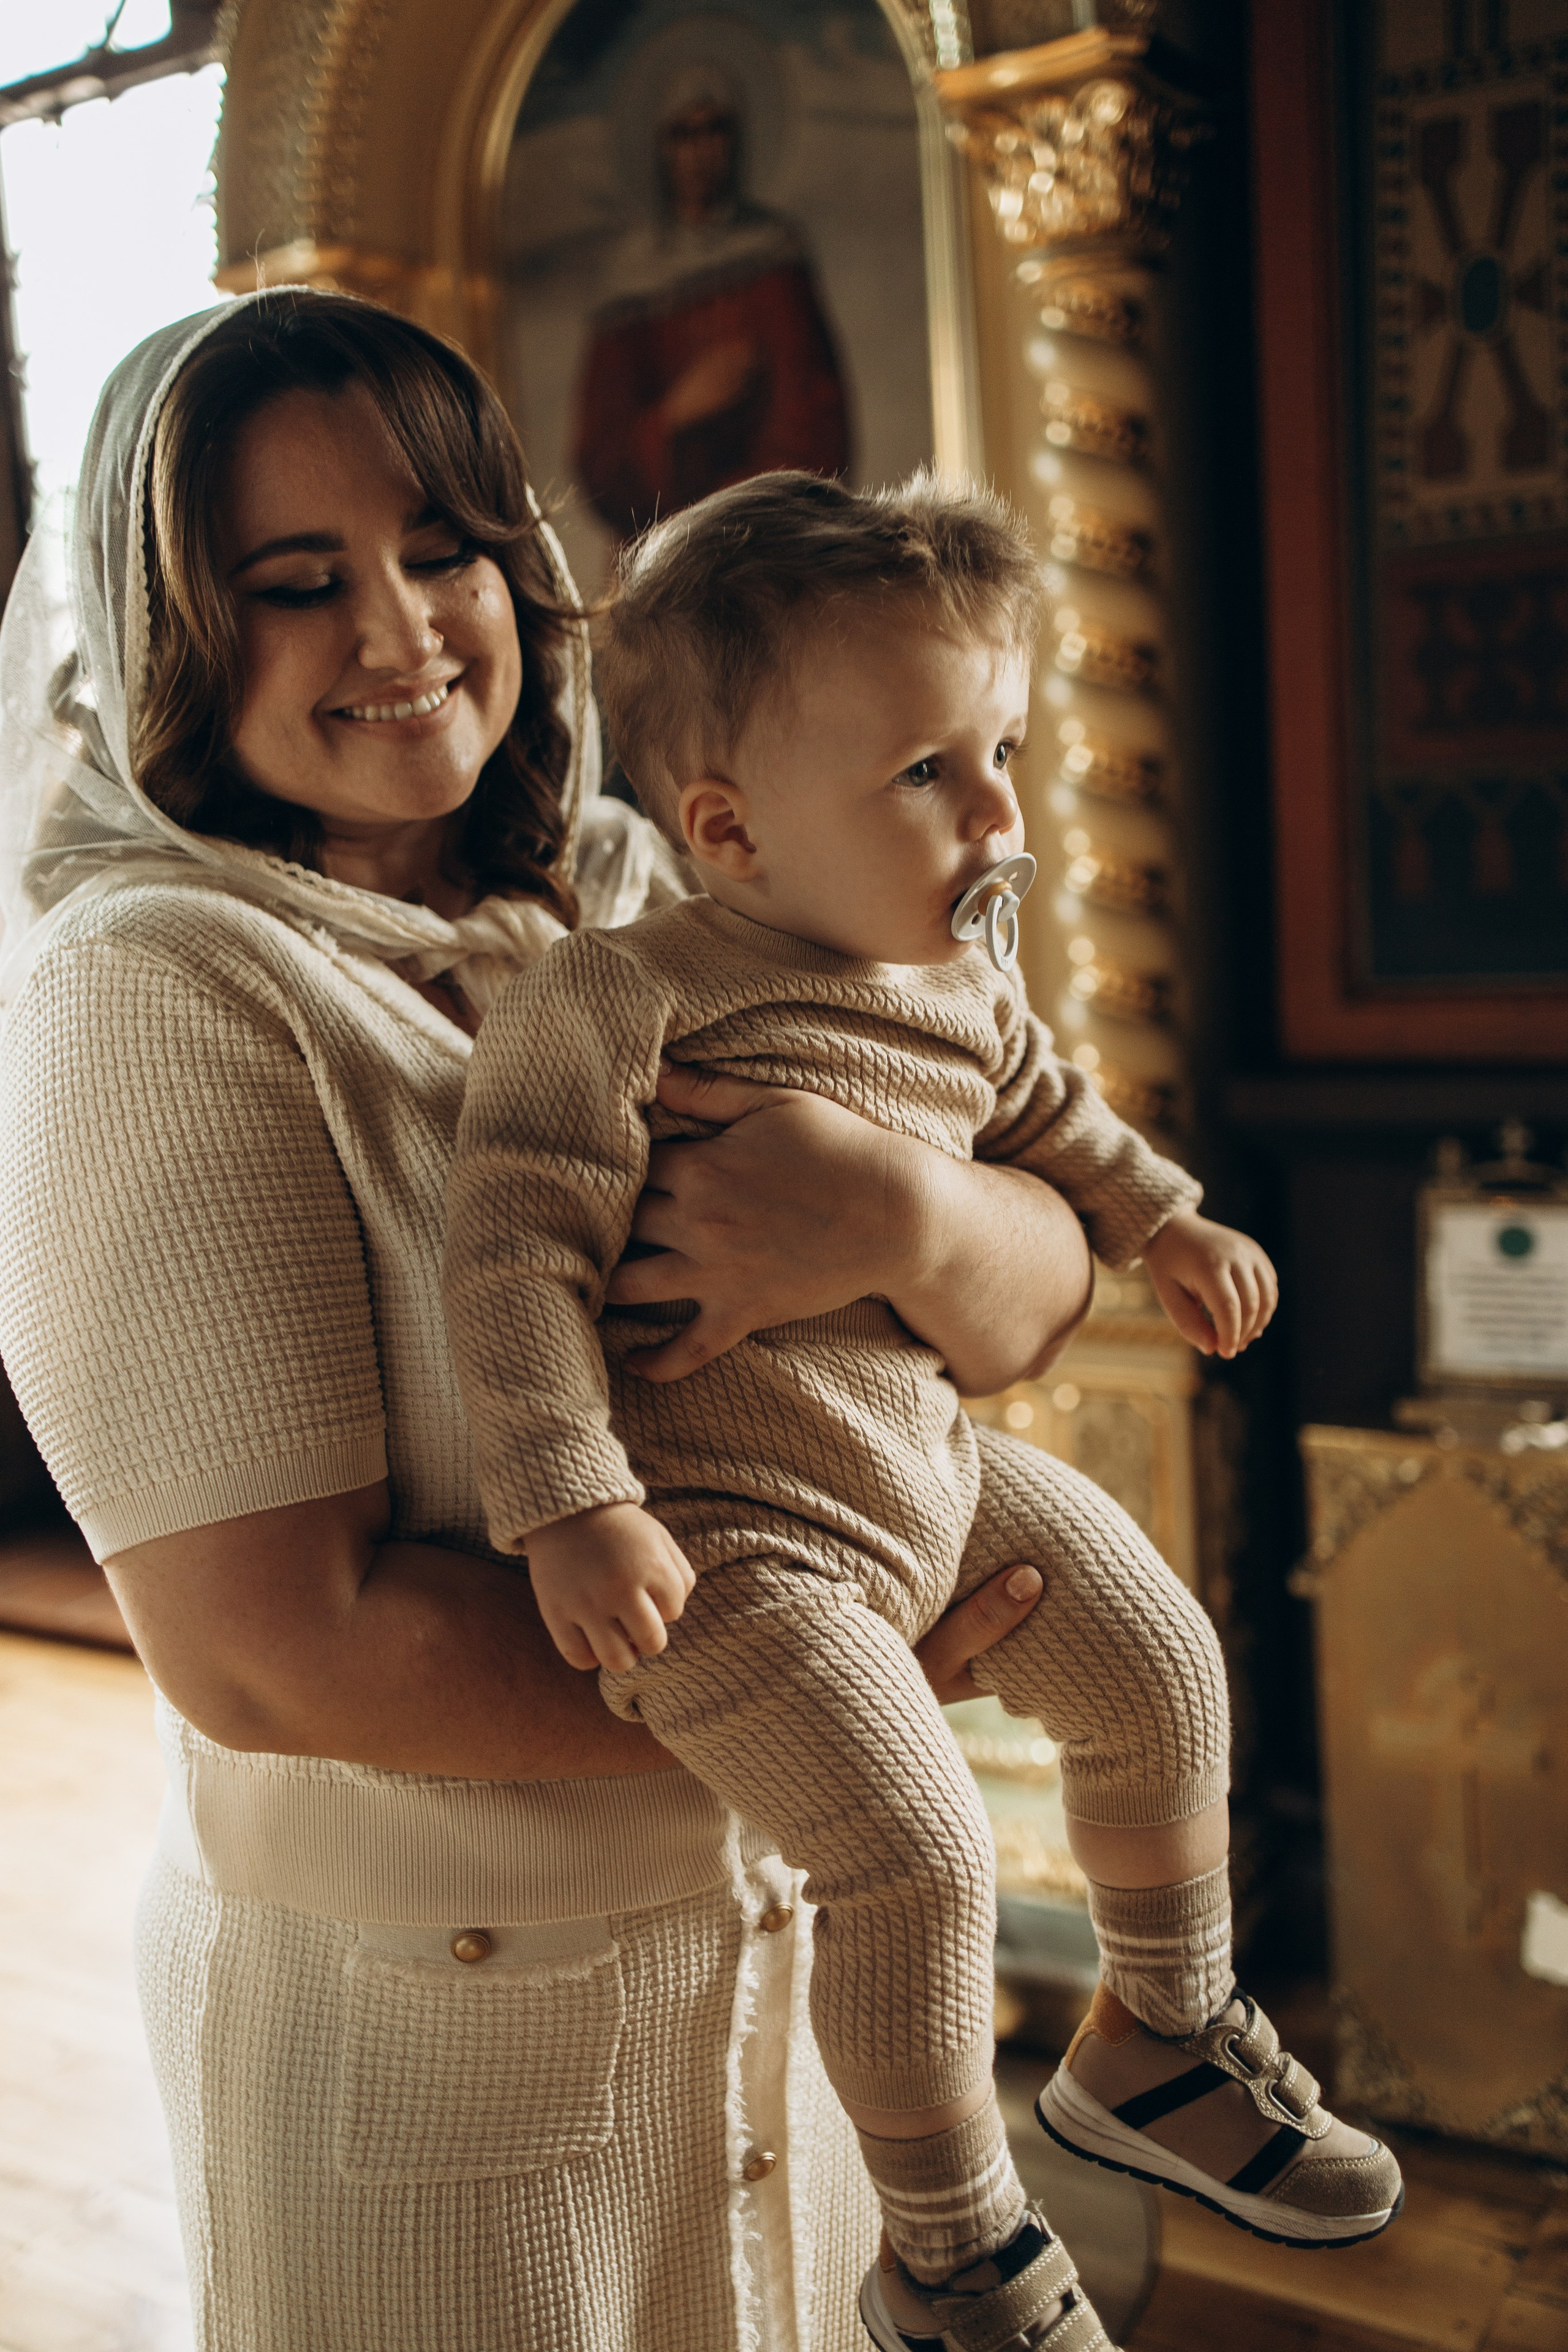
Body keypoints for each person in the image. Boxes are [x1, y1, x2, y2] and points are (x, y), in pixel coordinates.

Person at [0, 292, 1098, 2352]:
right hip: (444, 2032)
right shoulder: (161, 991)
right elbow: (266, 1646)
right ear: (173, 636)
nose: (405, 632)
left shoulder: (660, 882)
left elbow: (1039, 1279)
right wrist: (829, 1691)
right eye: (299, 583)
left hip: (785, 1956)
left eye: (445, 553)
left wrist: (897, 1206)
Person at [445, 472, 1407, 2352]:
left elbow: (1053, 1109)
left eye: (1007, 750)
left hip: (928, 1466)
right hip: (717, 1527)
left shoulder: (956, 979)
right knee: (915, 1844)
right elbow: (509, 1258)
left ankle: (1162, 2027)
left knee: (1159, 1658)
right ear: (727, 826)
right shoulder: (618, 996)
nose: (998, 814)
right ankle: (951, 2244)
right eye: (927, 772)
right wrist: (569, 1496)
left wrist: (1161, 1216)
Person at [572, 62, 850, 542]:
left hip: (763, 548)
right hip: (661, 557)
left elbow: (814, 424)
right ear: (661, 148)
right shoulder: (629, 280)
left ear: (736, 140)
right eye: (682, 134)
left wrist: (731, 517)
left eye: (714, 130)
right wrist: (675, 414)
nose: (699, 151)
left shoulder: (774, 255)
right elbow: (601, 460)